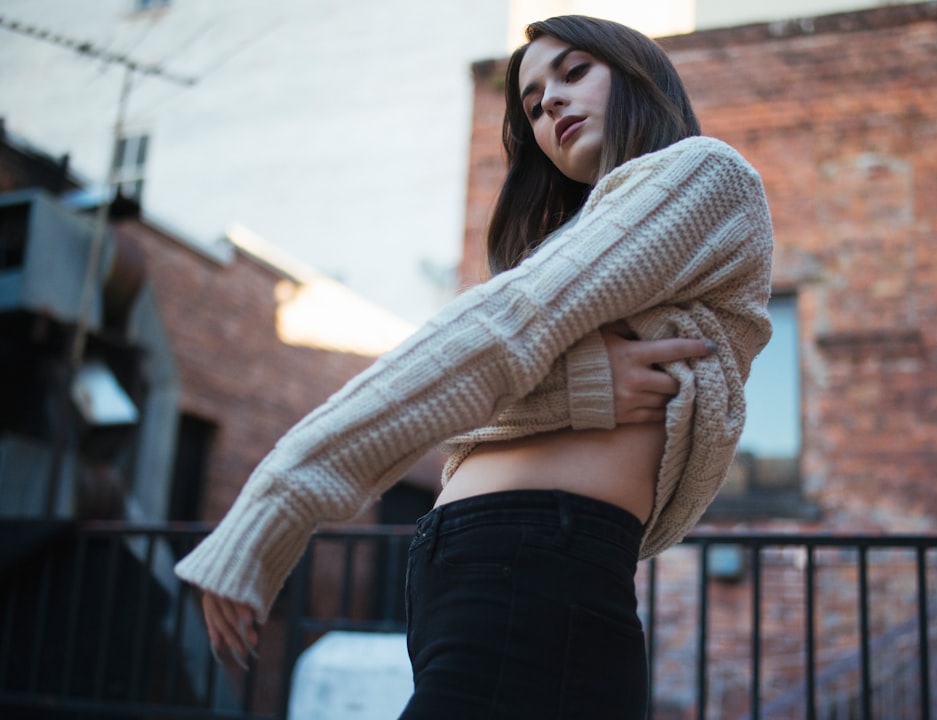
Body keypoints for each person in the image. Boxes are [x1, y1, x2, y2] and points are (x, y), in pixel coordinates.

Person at [176, 14, 773, 719]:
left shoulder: (706, 177)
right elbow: (459, 408)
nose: (549, 101)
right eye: (530, 102)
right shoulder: (580, 252)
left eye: (574, 72)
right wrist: (578, 386)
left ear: (640, 77)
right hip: (481, 571)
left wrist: (282, 496)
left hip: (540, 568)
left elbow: (498, 333)